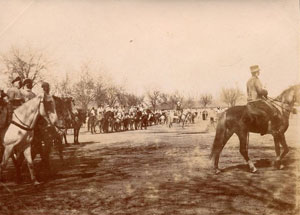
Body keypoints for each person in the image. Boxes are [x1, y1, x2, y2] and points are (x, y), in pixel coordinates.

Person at [246, 65, 279, 135]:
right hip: (256, 101)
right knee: (272, 110)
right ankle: (269, 129)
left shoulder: (248, 81)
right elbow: (260, 91)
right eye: (258, 71)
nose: (259, 73)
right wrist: (265, 92)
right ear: (256, 73)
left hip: (249, 102)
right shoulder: (256, 80)